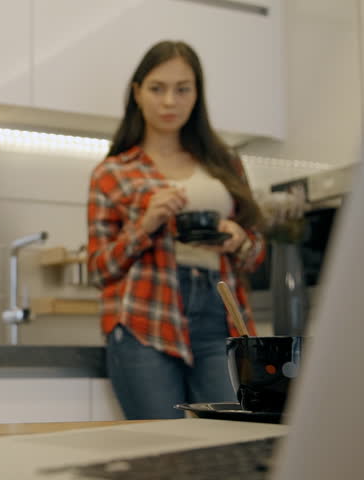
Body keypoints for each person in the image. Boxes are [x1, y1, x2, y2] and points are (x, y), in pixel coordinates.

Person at [87, 40, 266, 420]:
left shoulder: (225, 163)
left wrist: (240, 240)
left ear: (196, 95)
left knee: (234, 441)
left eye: (182, 88)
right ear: (137, 93)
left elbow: (258, 252)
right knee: (158, 449)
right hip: (144, 321)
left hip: (222, 319)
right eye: (157, 88)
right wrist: (146, 223)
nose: (170, 101)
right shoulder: (113, 172)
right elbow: (99, 269)